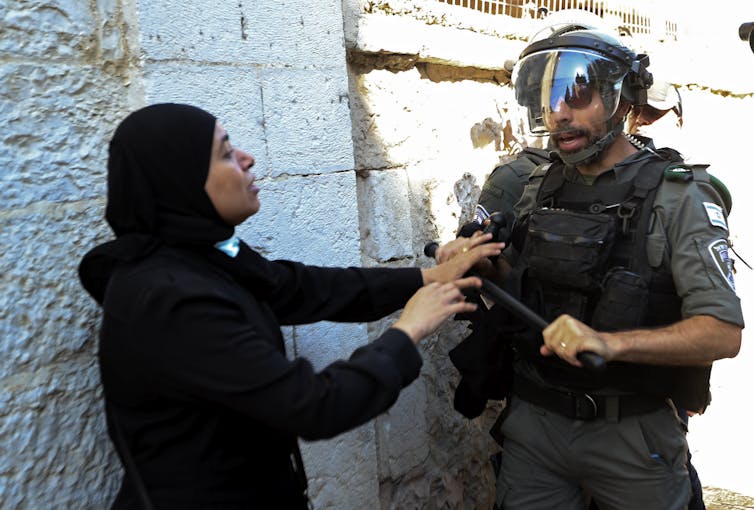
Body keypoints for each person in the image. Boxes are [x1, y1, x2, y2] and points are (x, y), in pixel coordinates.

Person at [77, 103, 505, 509]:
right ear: (180, 180)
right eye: (225, 153)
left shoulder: (200, 255)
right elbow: (313, 405)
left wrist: (427, 277)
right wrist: (407, 331)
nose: (246, 158)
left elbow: (299, 287)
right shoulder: (169, 299)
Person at [443, 28, 743, 510]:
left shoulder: (679, 195)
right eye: (547, 100)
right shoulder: (536, 186)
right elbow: (517, 289)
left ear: (620, 98)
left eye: (577, 97)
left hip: (631, 436)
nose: (559, 113)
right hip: (534, 428)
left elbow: (722, 333)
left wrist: (611, 343)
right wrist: (475, 262)